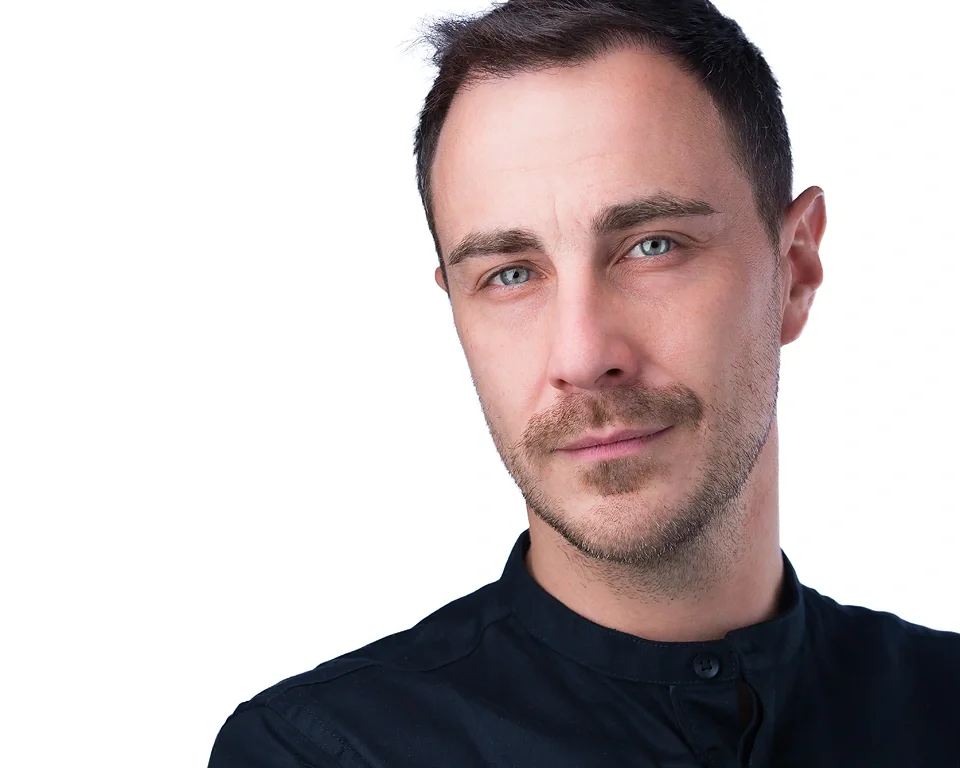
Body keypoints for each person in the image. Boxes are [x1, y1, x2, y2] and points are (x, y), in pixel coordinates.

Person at [208, 1, 960, 765]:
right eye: (509, 274)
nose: (581, 353)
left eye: (652, 246)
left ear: (794, 271)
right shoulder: (324, 753)